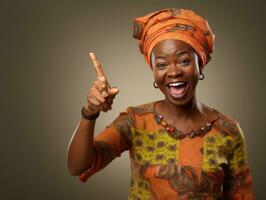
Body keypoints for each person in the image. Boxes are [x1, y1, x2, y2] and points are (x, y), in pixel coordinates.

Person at [67, 8, 255, 199]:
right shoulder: (135, 121)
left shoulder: (228, 131)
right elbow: (77, 166)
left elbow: (242, 195)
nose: (173, 72)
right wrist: (89, 112)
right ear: (154, 72)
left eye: (183, 61)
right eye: (162, 65)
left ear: (200, 64)